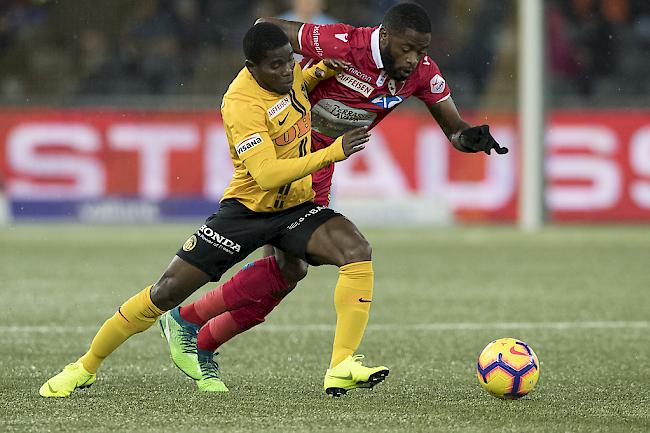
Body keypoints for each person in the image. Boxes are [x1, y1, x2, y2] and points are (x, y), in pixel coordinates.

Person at [160, 2, 508, 393]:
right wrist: (287, 84)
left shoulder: (423, 74)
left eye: (422, 51)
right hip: (286, 161)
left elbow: (454, 128)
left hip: (319, 176)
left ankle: (195, 333)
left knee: (285, 274)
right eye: (407, 49)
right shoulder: (342, 42)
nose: (414, 60)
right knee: (295, 269)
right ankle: (191, 325)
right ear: (386, 36)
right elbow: (266, 26)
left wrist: (468, 139)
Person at [39, 22, 388, 398]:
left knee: (354, 250)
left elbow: (301, 84)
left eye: (290, 61)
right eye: (276, 66)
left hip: (296, 207)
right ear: (251, 67)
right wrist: (335, 150)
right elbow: (267, 174)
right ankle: (85, 365)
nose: (287, 70)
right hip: (247, 211)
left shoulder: (290, 78)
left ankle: (341, 364)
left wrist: (322, 69)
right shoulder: (241, 103)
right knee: (166, 291)